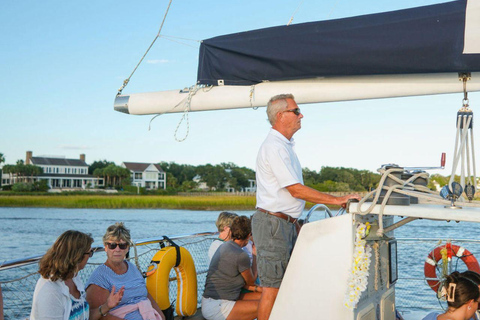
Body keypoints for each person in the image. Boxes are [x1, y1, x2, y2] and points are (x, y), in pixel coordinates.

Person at [252, 93, 362, 320]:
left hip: (285, 223)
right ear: (281, 116)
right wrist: (336, 200)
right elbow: (295, 190)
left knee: (286, 286)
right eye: (296, 111)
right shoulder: (274, 147)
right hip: (274, 225)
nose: (301, 114)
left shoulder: (285, 146)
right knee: (272, 289)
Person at [31, 230, 124, 320]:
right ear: (78, 256)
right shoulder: (50, 291)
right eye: (90, 253)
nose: (90, 257)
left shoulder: (73, 277)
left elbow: (84, 317)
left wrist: (107, 306)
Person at [86, 223, 165, 320]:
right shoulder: (100, 278)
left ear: (127, 248)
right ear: (106, 247)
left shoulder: (132, 268)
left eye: (122, 245)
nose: (117, 249)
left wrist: (162, 316)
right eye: (112, 245)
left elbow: (146, 295)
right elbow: (100, 317)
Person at [202, 216, 262, 320]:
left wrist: (260, 290)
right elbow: (251, 281)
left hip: (213, 300)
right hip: (217, 306)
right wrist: (255, 255)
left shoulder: (225, 245)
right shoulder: (241, 255)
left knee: (267, 299)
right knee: (264, 306)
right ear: (248, 235)